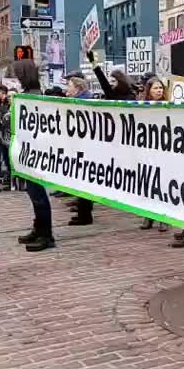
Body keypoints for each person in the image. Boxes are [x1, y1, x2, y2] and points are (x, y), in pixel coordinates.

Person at [72, 52, 138, 227]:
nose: (112, 85)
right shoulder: (112, 95)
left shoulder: (129, 99)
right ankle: (84, 211)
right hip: (108, 144)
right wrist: (94, 64)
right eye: (112, 81)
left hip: (123, 146)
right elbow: (103, 82)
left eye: (115, 81)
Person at [14, 59, 55, 252]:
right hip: (29, 153)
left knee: (38, 195)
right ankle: (38, 229)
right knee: (34, 194)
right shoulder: (27, 96)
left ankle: (46, 235)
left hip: (36, 154)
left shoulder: (35, 97)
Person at [138, 76, 169, 233]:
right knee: (148, 183)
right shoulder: (142, 106)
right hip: (147, 150)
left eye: (161, 88)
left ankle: (164, 218)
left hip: (163, 151)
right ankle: (148, 215)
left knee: (162, 183)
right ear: (148, 90)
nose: (159, 91)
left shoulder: (170, 106)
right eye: (156, 88)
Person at [0, 85, 12, 190]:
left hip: (11, 136)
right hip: (3, 136)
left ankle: (12, 181)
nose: (9, 98)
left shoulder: (9, 106)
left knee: (10, 159)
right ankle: (8, 179)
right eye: (8, 97)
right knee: (5, 158)